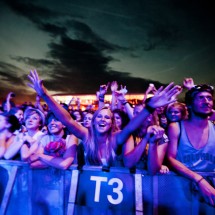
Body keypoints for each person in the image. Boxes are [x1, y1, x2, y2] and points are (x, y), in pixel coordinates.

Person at [27, 69, 181, 167]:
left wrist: (150, 107)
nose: (102, 120)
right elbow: (67, 120)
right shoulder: (86, 135)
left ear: (112, 122)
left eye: (107, 118)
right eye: (99, 116)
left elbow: (132, 126)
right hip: (87, 189)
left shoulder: (116, 138)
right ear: (93, 121)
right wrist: (45, 95)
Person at [167, 84, 215, 206]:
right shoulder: (176, 127)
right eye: (201, 98)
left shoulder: (214, 128)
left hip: (210, 194)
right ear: (189, 105)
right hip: (181, 191)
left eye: (209, 98)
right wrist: (199, 180)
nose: (206, 101)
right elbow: (170, 159)